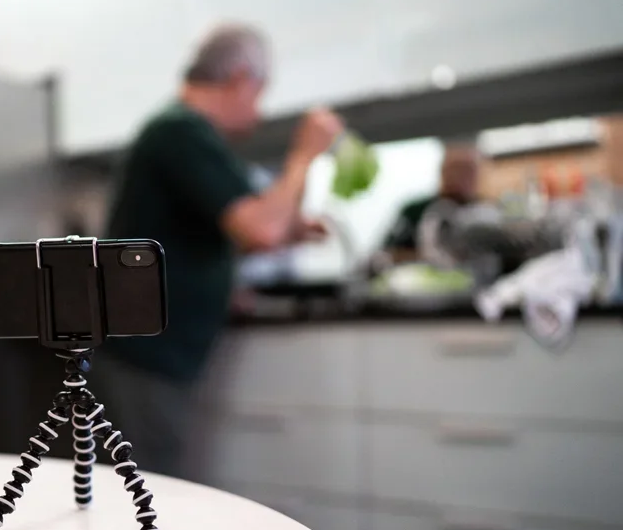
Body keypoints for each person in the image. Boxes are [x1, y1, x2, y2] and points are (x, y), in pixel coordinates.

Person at [90, 24, 343, 479]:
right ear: (241, 78)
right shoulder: (181, 131)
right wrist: (305, 155)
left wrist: (275, 238)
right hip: (148, 356)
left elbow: (242, 232)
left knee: (148, 487)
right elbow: (263, 230)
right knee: (145, 494)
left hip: (155, 354)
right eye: (259, 94)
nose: (258, 112)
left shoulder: (183, 134)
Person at [381, 144, 482, 265]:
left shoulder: (485, 212)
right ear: (443, 172)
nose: (463, 177)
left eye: (469, 171)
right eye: (457, 169)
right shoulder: (415, 211)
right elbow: (389, 252)